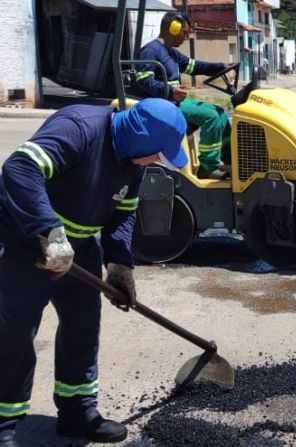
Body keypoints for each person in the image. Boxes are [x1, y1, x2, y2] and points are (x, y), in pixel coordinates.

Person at [0, 98, 188, 447]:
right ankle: (3, 425)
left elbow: (123, 214)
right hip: (25, 240)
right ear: (140, 138)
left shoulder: (136, 162)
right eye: (157, 153)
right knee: (14, 335)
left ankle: (77, 413)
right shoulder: (79, 128)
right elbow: (20, 169)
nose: (157, 161)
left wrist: (120, 265)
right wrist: (48, 232)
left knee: (82, 327)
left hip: (80, 246)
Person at [135, 11, 233, 179]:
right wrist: (170, 90)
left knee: (220, 112)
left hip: (174, 104)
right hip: (160, 107)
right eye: (184, 32)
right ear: (172, 28)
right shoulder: (150, 51)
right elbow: (143, 81)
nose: (186, 37)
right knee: (210, 116)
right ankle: (207, 167)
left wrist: (220, 66)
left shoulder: (170, 52)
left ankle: (229, 161)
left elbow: (194, 66)